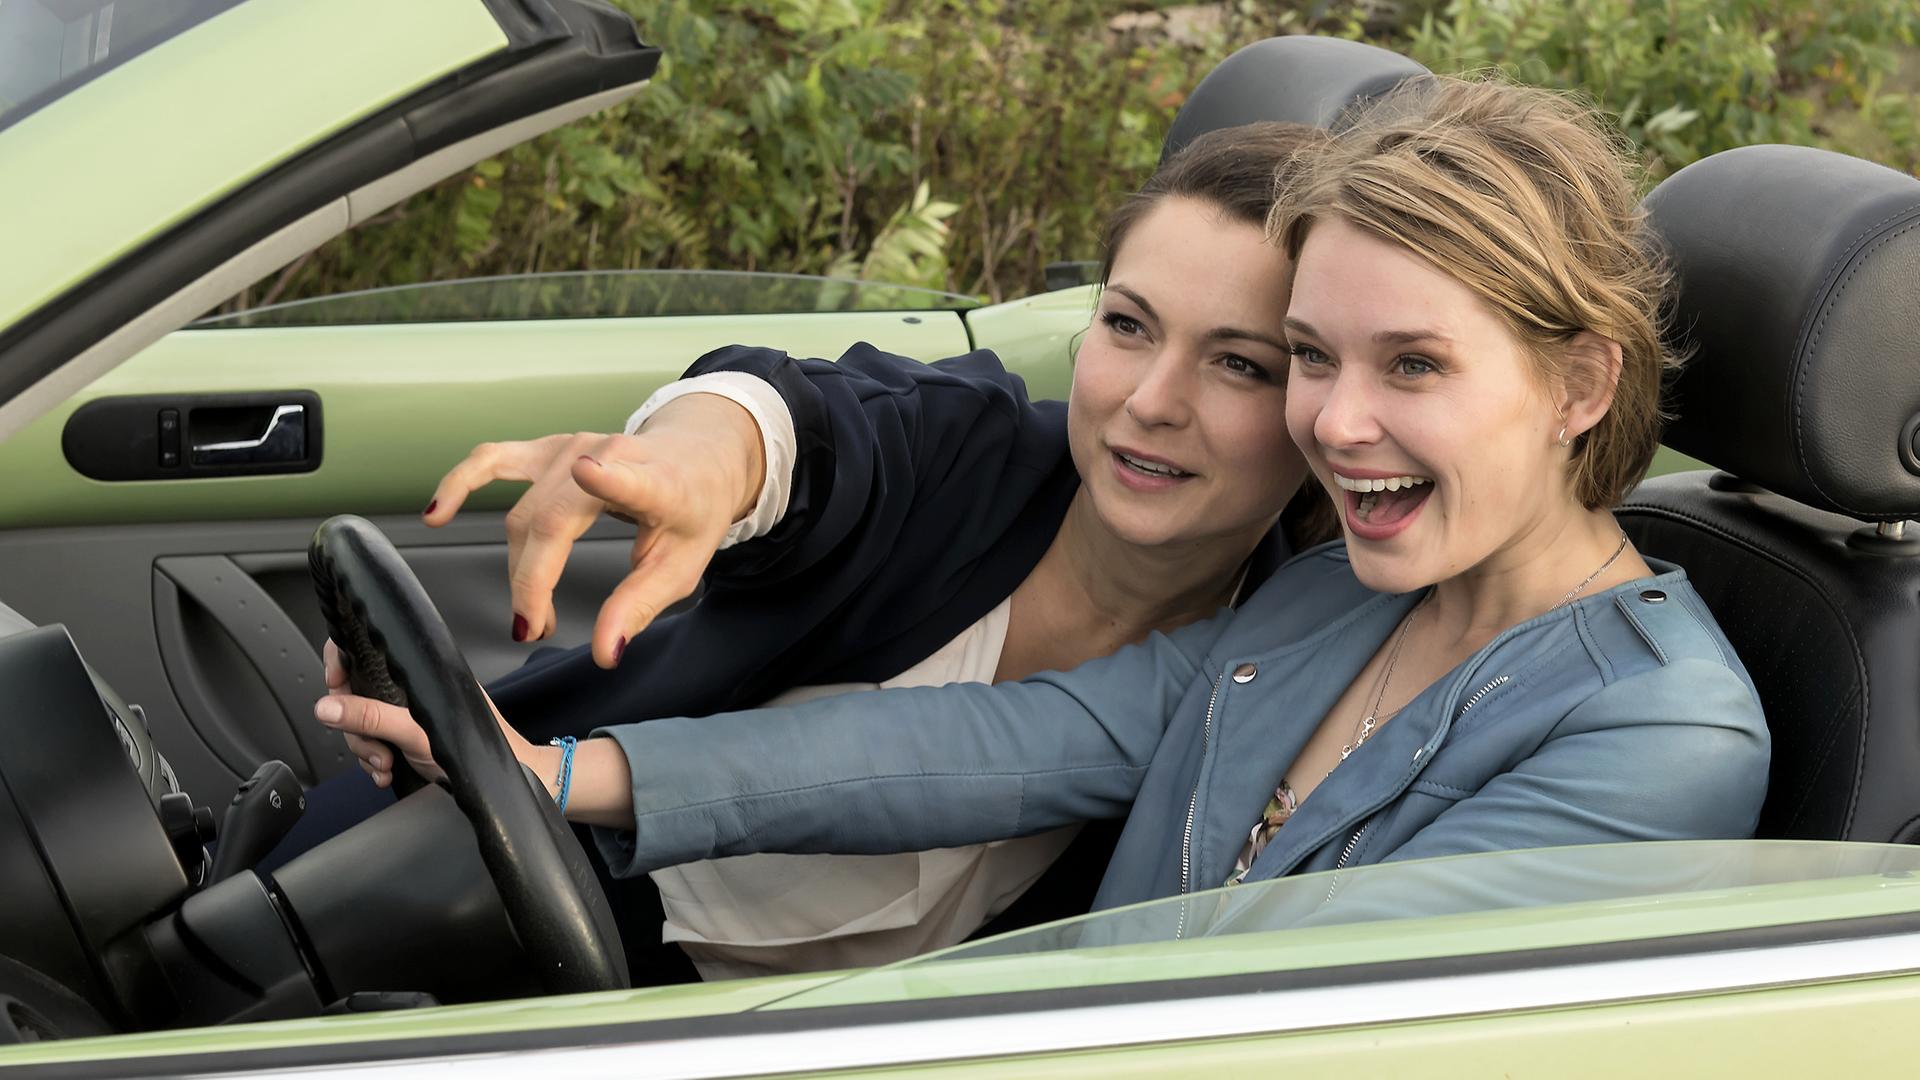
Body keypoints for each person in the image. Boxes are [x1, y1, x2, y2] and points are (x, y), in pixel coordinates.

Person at [318, 74, 1770, 960]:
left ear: (1583, 381)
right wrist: (560, 775)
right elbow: (984, 743)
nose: (1334, 421)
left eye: (1415, 367)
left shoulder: (1658, 729)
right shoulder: (1343, 594)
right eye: (1318, 357)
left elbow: (1297, 1021)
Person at [309, 121, 1334, 980]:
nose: (1151, 403)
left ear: (1326, 402)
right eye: (1127, 325)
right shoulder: (971, 448)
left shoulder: (1297, 657)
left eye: (1239, 365)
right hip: (531, 866)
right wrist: (698, 462)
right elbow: (802, 422)